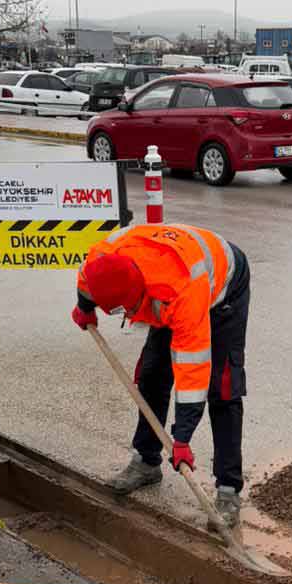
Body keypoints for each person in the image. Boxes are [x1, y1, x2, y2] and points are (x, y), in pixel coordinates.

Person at [71, 223, 250, 528]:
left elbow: (192, 369)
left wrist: (182, 437)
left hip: (223, 287)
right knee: (152, 375)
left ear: (141, 292)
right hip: (166, 277)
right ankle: (146, 460)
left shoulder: (182, 289)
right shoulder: (102, 258)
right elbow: (87, 281)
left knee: (222, 387)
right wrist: (85, 306)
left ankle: (228, 490)